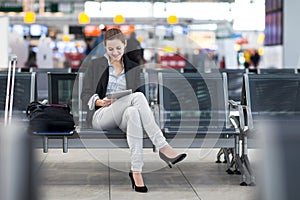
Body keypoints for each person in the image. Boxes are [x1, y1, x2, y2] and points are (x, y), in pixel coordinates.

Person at [81, 28, 187, 193]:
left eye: (118, 48)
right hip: (101, 115)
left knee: (133, 113)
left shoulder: (132, 67)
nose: (114, 53)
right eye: (110, 49)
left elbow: (139, 99)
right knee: (137, 97)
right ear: (104, 47)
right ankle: (163, 146)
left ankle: (136, 171)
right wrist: (100, 101)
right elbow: (85, 94)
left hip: (124, 116)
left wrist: (123, 101)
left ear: (124, 45)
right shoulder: (96, 65)